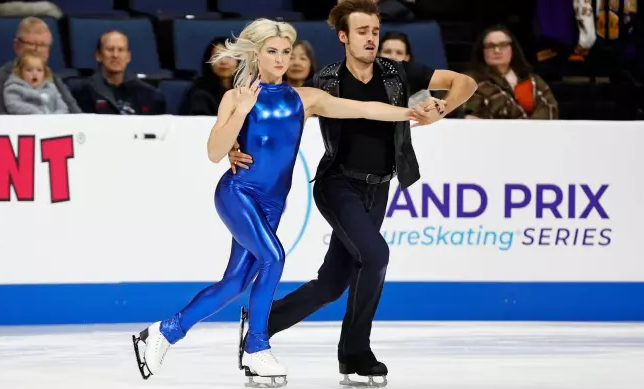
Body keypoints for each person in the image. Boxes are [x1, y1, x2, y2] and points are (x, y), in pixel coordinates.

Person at [131, 17, 442, 386]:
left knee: (235, 281)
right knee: (274, 256)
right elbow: (215, 152)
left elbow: (364, 109)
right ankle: (257, 346)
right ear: (256, 54)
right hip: (237, 193)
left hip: (272, 205)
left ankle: (162, 333)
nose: (281, 59)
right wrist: (242, 113)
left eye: (286, 52)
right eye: (272, 52)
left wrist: (410, 113)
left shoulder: (303, 99)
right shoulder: (237, 97)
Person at [228, 0, 477, 385]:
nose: (371, 39)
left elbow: (466, 82)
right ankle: (356, 353)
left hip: (380, 188)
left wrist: (441, 110)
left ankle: (264, 320)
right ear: (343, 36)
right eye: (362, 31)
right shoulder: (326, 80)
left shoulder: (399, 73)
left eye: (375, 31)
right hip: (338, 184)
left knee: (332, 283)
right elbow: (278, 114)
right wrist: (235, 143)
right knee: (376, 254)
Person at [0, 16, 80, 114]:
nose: (37, 50)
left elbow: (76, 113)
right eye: (31, 44)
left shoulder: (52, 78)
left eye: (43, 45)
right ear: (16, 46)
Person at [3, 50, 69, 114]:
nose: (34, 74)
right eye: (29, 70)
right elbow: (13, 104)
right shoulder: (14, 87)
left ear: (45, 73)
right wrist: (35, 112)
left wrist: (56, 117)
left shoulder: (51, 87)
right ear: (20, 72)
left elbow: (62, 107)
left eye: (39, 70)